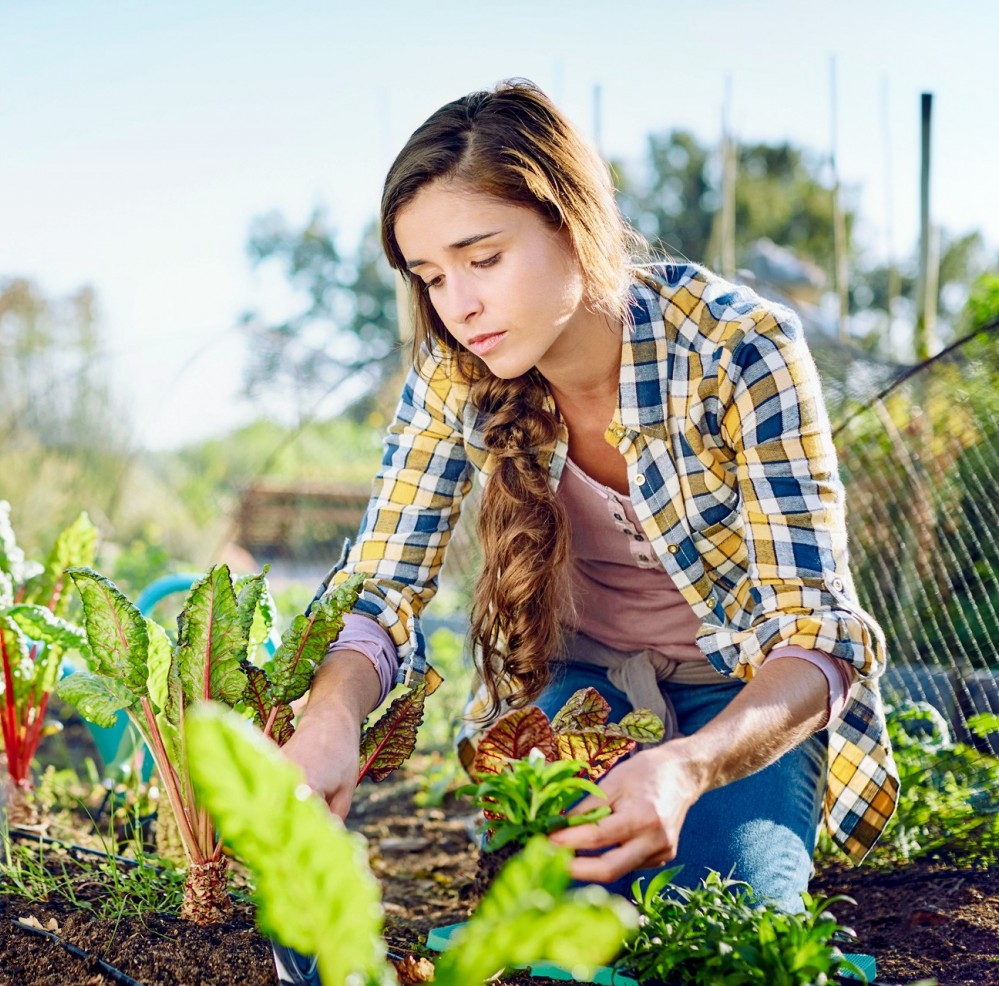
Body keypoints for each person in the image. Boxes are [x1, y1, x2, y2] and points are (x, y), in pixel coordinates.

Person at [281, 79, 898, 913]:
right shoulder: (452, 378)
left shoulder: (735, 350)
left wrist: (687, 767)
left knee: (721, 917)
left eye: (484, 259)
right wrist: (327, 721)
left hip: (739, 690)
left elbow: (814, 636)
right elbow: (382, 587)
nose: (458, 306)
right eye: (429, 277)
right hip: (578, 691)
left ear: (578, 226)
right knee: (573, 919)